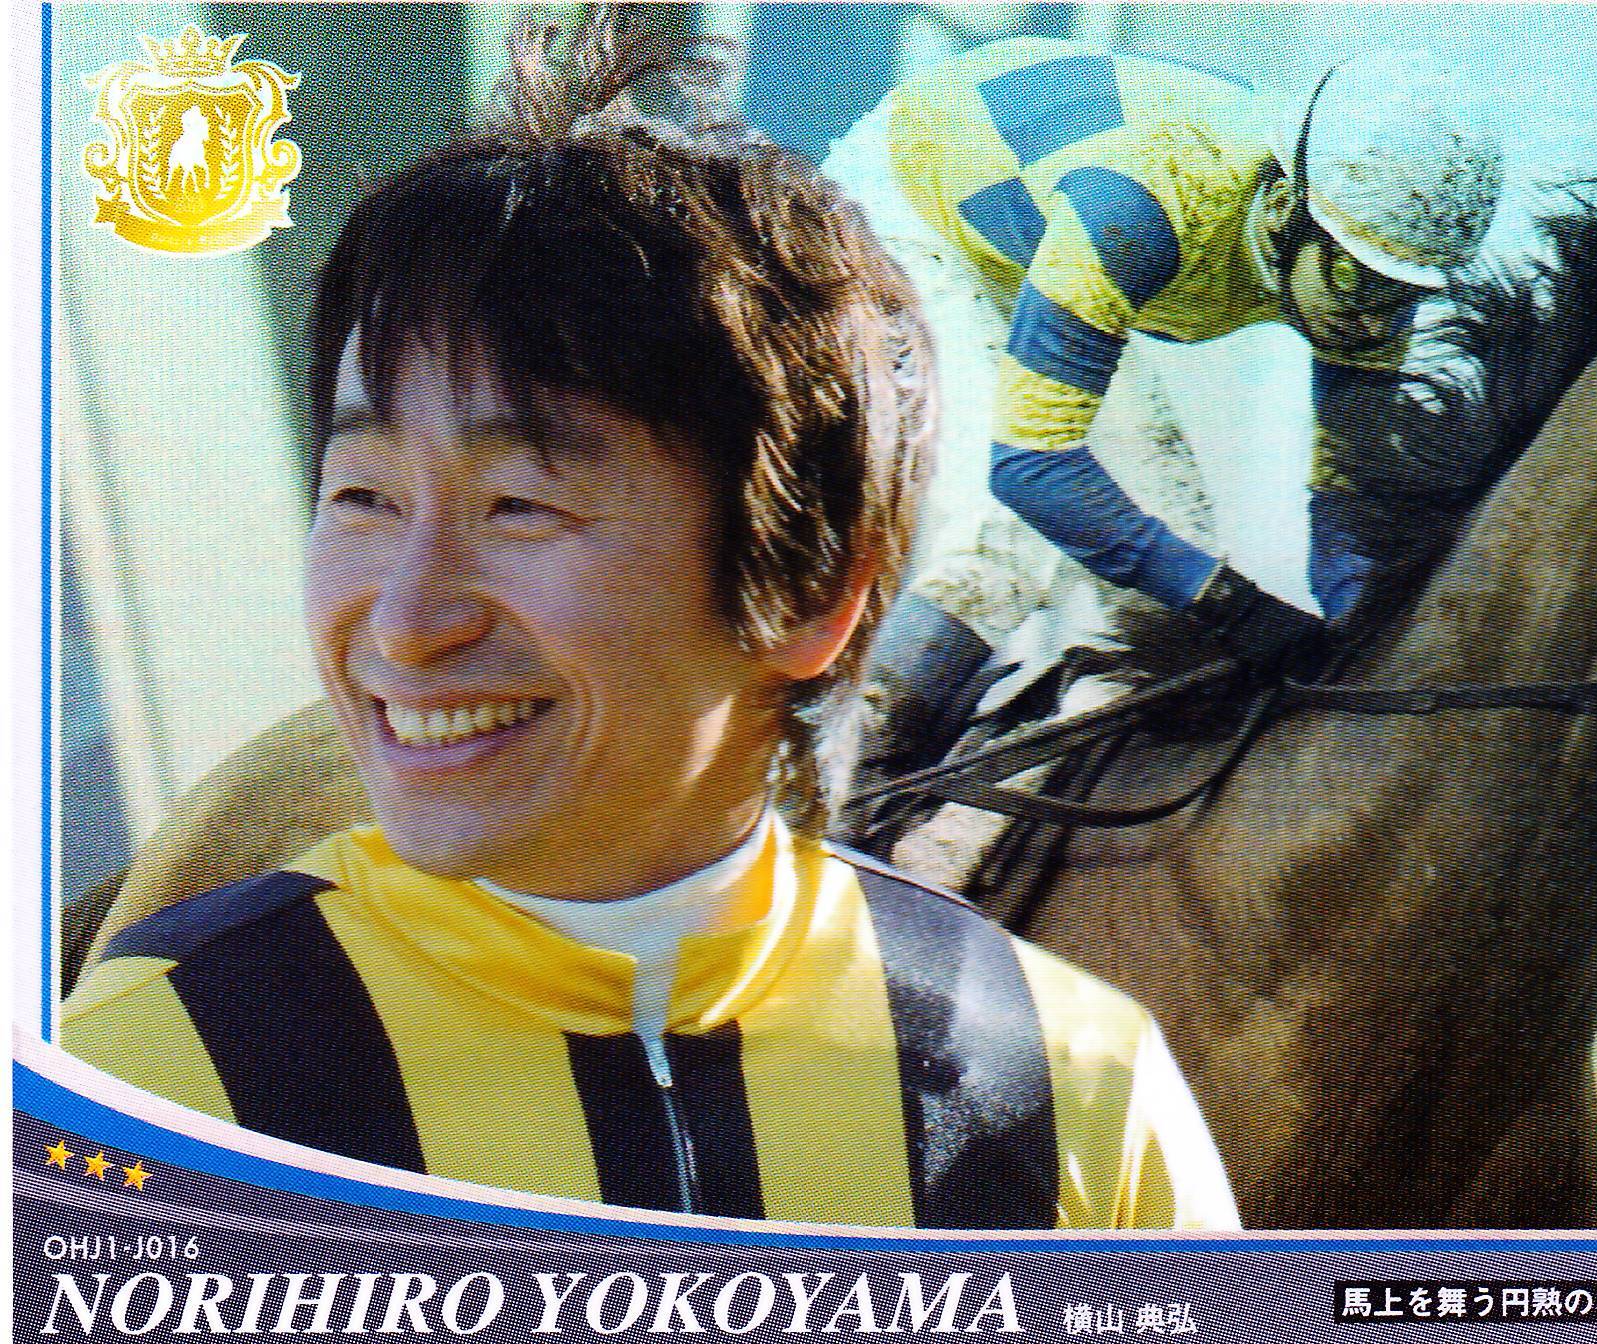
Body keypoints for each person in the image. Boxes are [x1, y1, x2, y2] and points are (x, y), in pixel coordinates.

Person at [61, 10, 1239, 1232]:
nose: (403, 625)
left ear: (811, 594)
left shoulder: (1071, 1086)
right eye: (362, 497)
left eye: (519, 506)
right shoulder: (136, 1094)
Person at [821, 38, 1503, 776]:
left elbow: (1343, 501)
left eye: (1401, 296)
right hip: (903, 211)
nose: (1372, 322)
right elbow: (1030, 469)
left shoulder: (1366, 264)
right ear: (1283, 210)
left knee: (1181, 567)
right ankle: (842, 785)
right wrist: (1233, 604)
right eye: (1357, 281)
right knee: (1009, 540)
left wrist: (1359, 633)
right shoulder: (1144, 208)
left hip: (1036, 231)